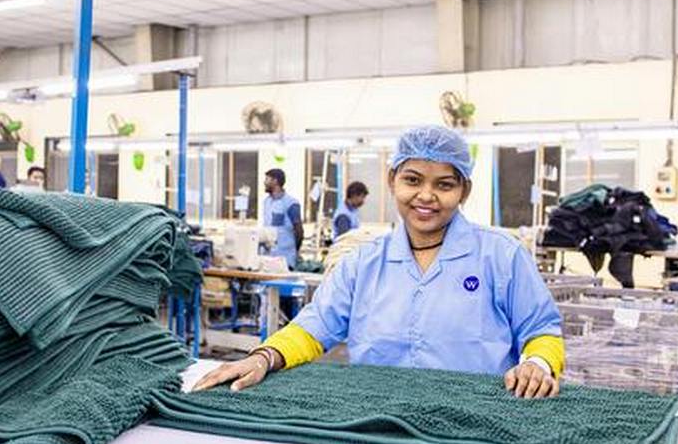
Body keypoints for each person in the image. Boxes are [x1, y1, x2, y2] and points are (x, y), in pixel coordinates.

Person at [195, 126, 565, 399]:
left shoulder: (501, 256)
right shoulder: (364, 263)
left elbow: (542, 329)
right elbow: (313, 326)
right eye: (413, 180)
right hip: (377, 416)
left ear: (463, 190)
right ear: (392, 181)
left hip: (475, 419)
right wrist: (263, 356)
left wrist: (537, 364)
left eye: (444, 185)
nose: (426, 196)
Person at [262, 168, 303, 270]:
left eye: (267, 179)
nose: (264, 182)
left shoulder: (291, 203)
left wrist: (294, 251)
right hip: (269, 257)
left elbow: (299, 231)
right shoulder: (266, 202)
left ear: (275, 181)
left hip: (285, 258)